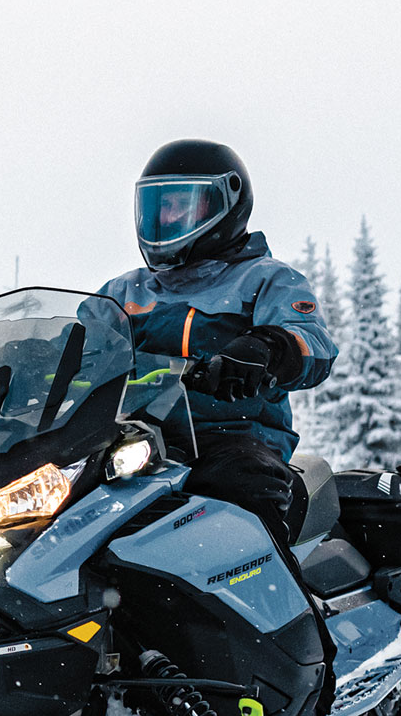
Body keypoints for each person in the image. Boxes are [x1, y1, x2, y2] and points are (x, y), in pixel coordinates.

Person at [99, 139, 339, 553]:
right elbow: (79, 345)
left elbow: (312, 341)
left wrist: (266, 347)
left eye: (182, 205)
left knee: (243, 483)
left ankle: (272, 606)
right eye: (160, 207)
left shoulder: (264, 279)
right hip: (130, 440)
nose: (169, 216)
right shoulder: (124, 291)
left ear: (224, 205)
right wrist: (18, 362)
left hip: (227, 438)